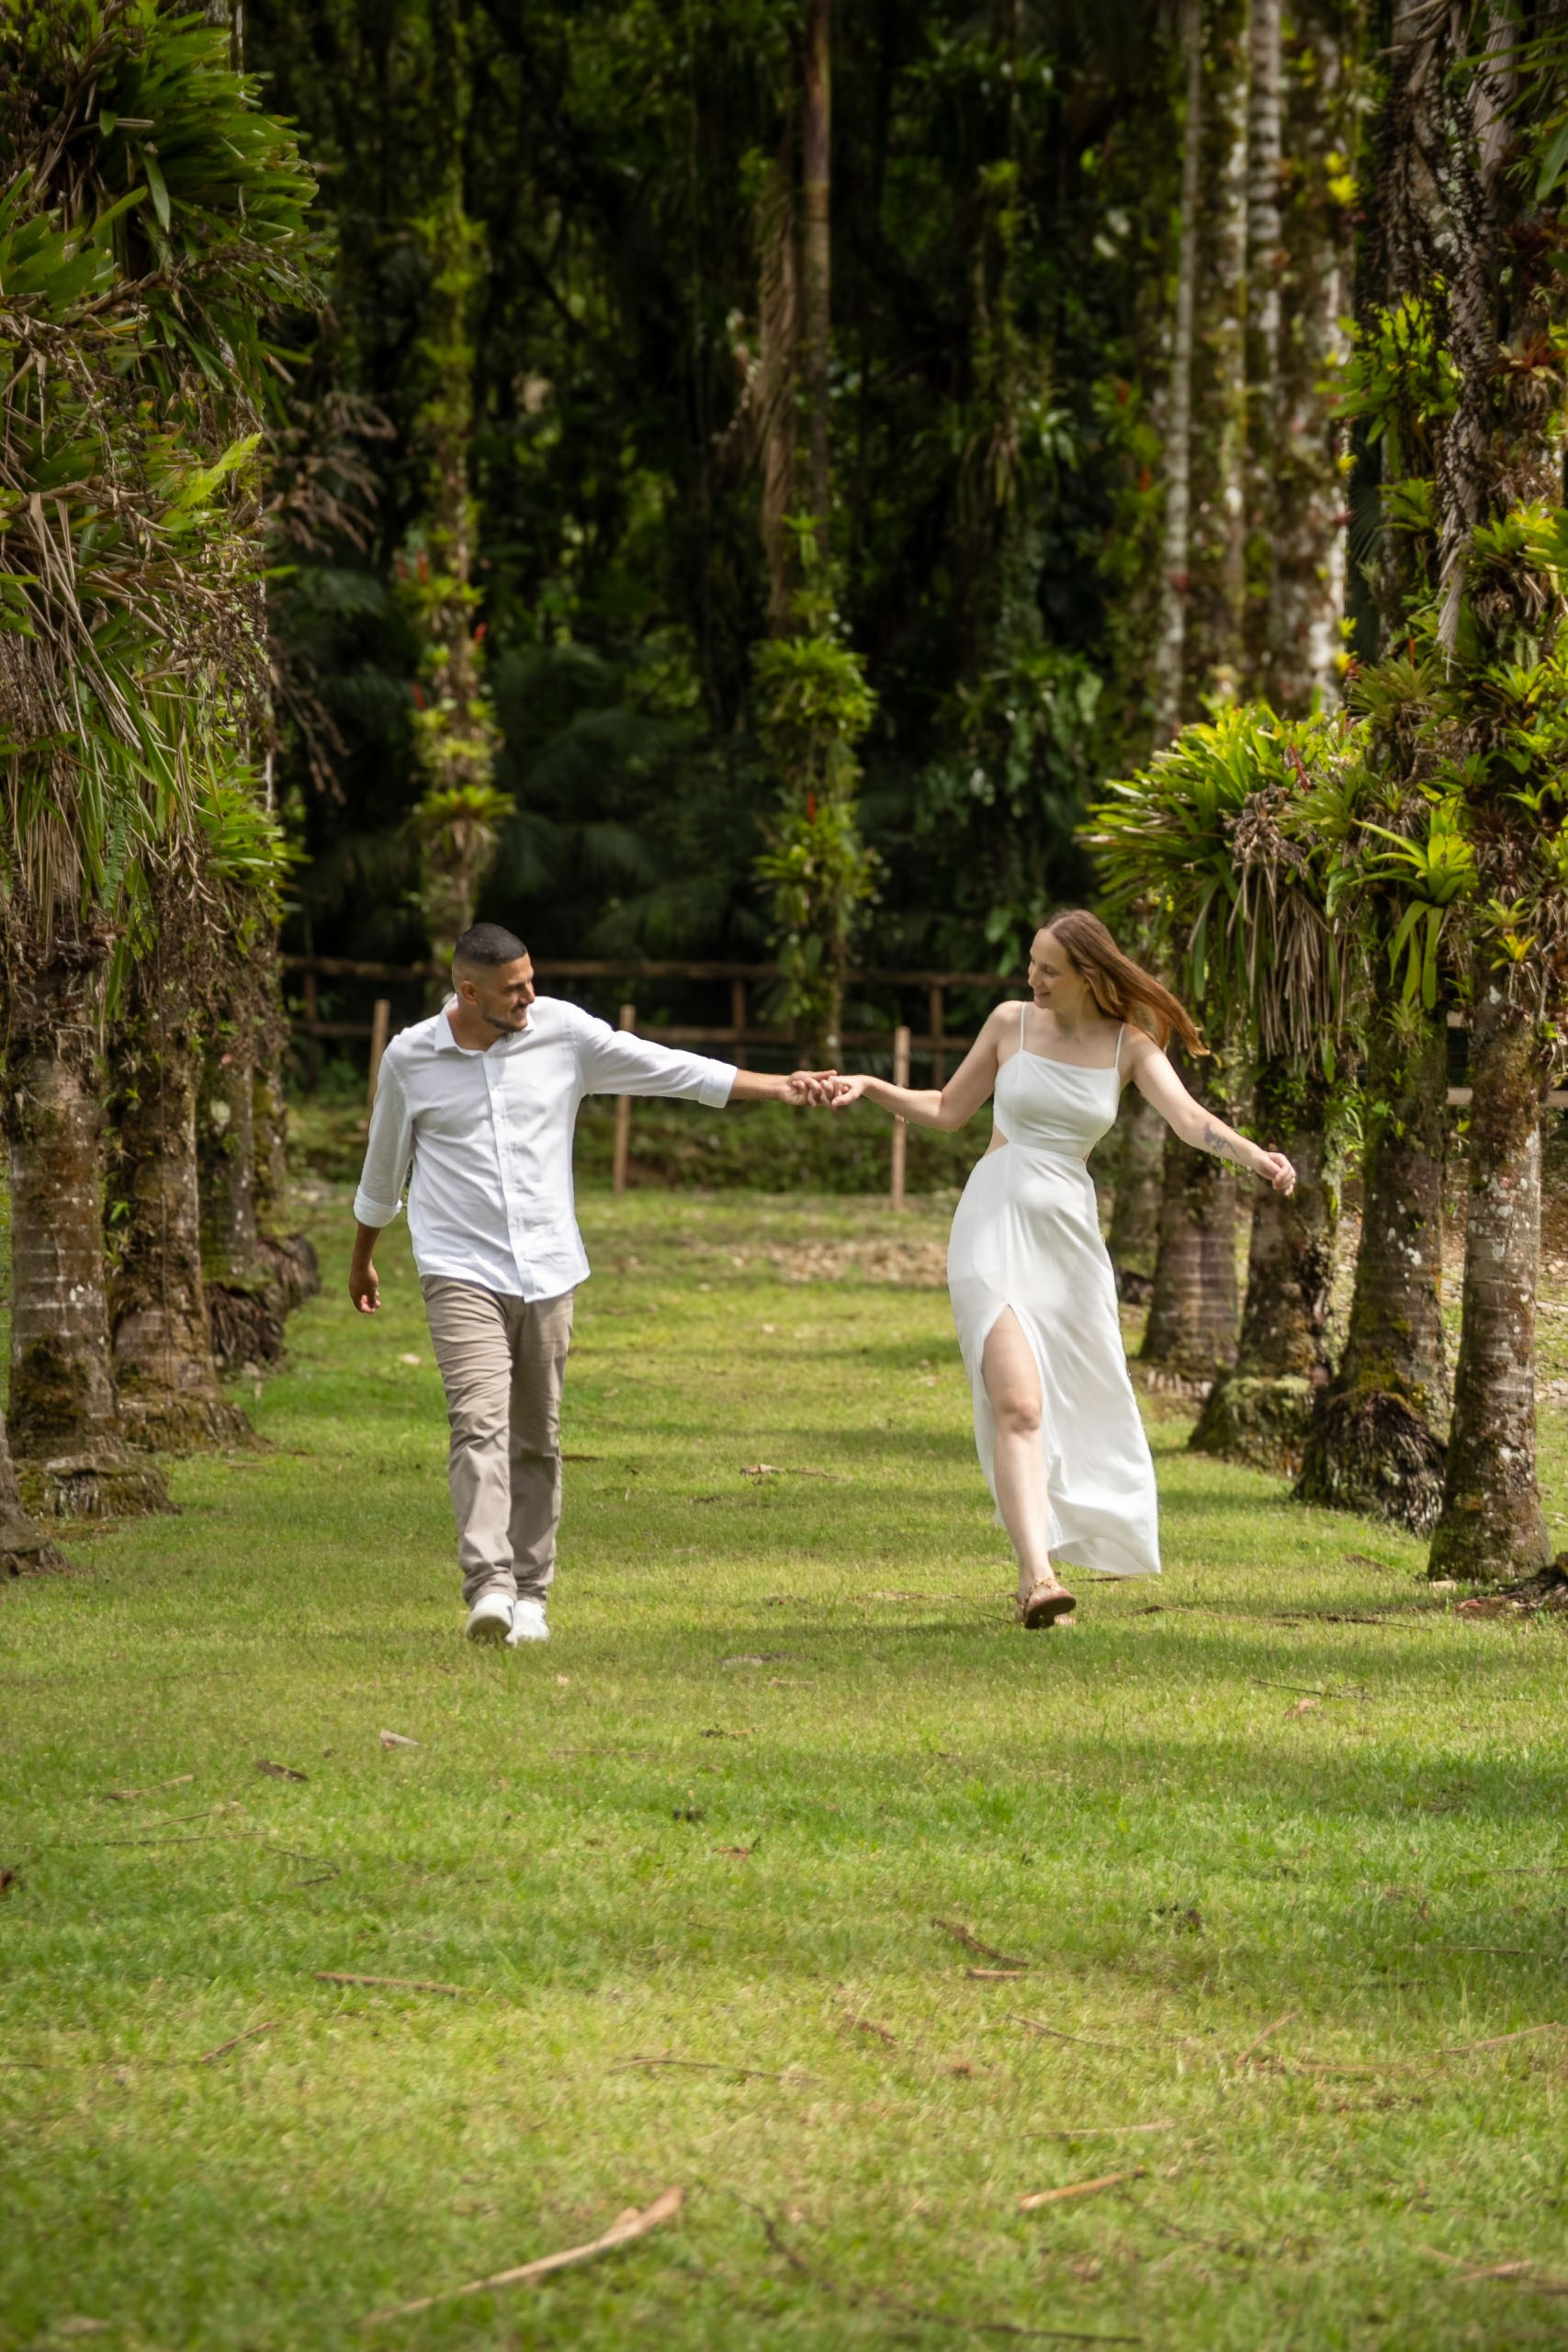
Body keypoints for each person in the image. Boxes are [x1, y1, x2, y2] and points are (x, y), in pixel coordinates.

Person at [349, 922, 834, 1646]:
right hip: (458, 1268)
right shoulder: (410, 1057)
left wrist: (779, 1086)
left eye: (531, 981)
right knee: (478, 1423)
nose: (529, 997)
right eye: (513, 989)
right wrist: (363, 1255)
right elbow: (384, 1165)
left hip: (547, 1267)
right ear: (469, 992)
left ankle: (532, 1596)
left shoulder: (563, 1033)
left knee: (536, 1438)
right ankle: (490, 1587)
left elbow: (666, 1068)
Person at [829, 910, 1295, 1627]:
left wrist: (1255, 1156)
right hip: (992, 1222)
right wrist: (870, 1085)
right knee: (1017, 1403)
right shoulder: (1008, 1023)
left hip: (1067, 1240)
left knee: (1071, 1394)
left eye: (1048, 969)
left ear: (1088, 974)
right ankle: (1038, 1576)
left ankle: (1044, 1565)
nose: (1032, 978)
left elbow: (1188, 1119)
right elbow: (948, 1110)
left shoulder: (1129, 1047)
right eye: (1031, 963)